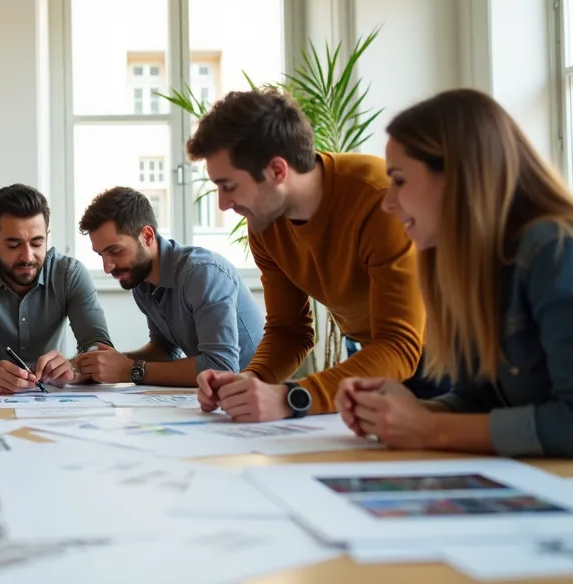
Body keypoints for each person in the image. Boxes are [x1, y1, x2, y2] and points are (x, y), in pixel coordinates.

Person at [336, 88, 573, 481]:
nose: (387, 202)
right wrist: (414, 410)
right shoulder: (475, 266)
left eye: (398, 181)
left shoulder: (559, 250)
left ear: (457, 178)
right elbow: (483, 401)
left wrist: (428, 428)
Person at [183, 87, 436, 423]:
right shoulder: (265, 224)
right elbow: (289, 330)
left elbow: (400, 345)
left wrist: (292, 397)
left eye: (228, 185)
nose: (223, 204)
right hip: (370, 357)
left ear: (277, 171)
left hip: (444, 360)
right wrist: (250, 381)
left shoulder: (377, 198)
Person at [76, 186, 264, 388]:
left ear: (147, 236)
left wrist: (128, 370)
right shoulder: (141, 281)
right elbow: (165, 350)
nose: (107, 267)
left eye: (115, 250)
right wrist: (98, 365)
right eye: (101, 255)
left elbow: (222, 367)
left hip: (256, 395)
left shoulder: (202, 273)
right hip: (217, 397)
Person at [0, 184, 112, 394]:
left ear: (47, 237)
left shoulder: (70, 274)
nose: (27, 256)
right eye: (14, 245)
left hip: (54, 402)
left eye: (36, 243)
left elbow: (100, 349)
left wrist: (73, 368)